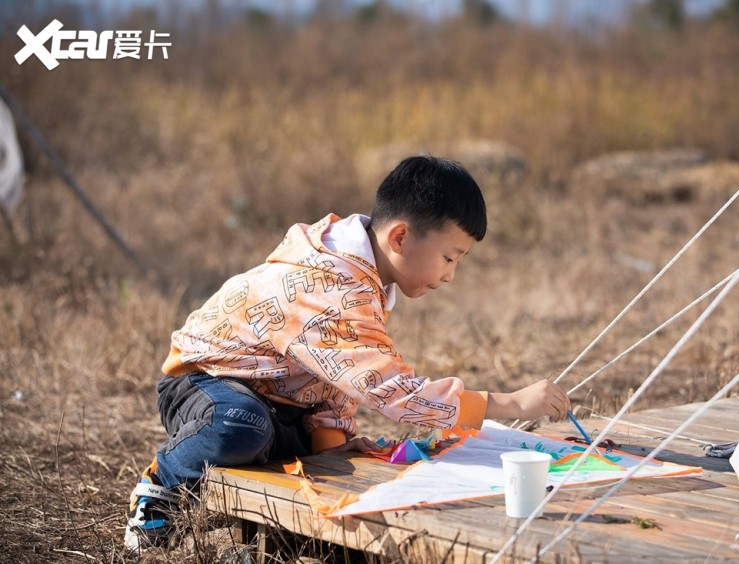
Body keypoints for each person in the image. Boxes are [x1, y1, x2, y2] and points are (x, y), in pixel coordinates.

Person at [124, 155, 571, 552]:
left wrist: (330, 448)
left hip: (282, 403)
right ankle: (162, 483)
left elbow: (334, 381)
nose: (451, 275)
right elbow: (387, 388)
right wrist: (507, 403)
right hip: (207, 385)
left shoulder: (367, 281)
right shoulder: (331, 286)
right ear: (399, 238)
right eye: (450, 258)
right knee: (242, 426)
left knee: (318, 451)